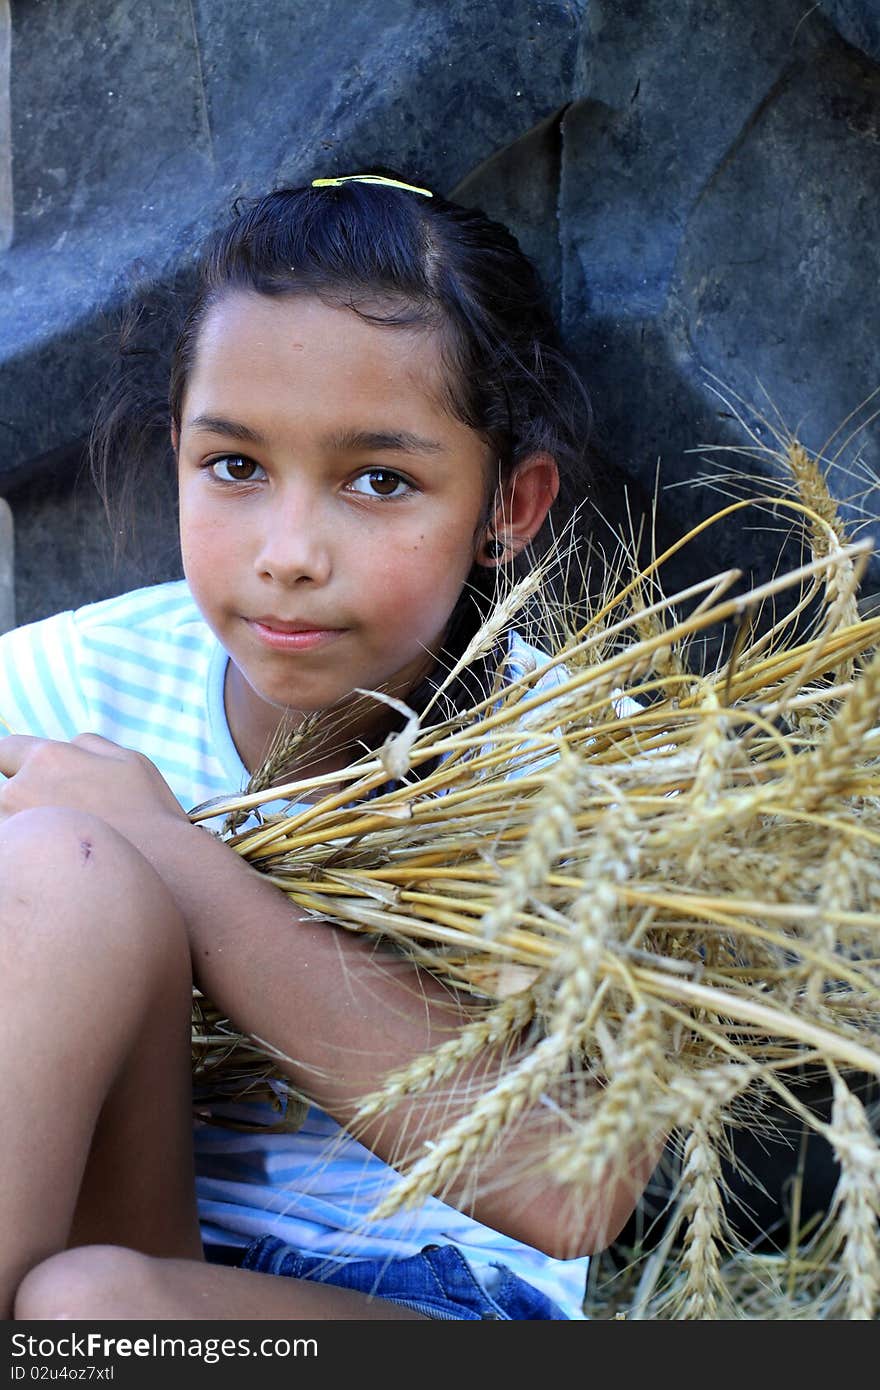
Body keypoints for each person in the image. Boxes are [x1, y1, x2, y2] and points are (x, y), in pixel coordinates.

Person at [0, 173, 656, 1321]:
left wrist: (170, 849)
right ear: (178, 454)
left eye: (377, 480)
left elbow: (578, 1182)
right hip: (118, 1228)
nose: (290, 550)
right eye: (236, 467)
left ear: (509, 504)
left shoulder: (576, 765)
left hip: (432, 1302)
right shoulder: (64, 688)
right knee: (63, 870)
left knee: (95, 1309)